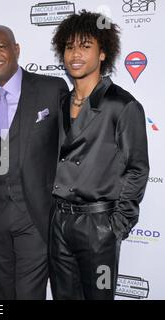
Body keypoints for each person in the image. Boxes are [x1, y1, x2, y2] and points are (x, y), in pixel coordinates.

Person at [49, 10, 149, 300]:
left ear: (103, 53)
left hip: (98, 226)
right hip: (59, 223)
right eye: (69, 46)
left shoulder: (122, 105)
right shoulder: (61, 102)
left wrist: (115, 227)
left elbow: (138, 169)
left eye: (85, 45)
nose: (75, 53)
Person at [0, 25, 69, 300]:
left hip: (35, 219)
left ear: (16, 49)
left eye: (0, 46)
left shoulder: (51, 89)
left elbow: (72, 148)